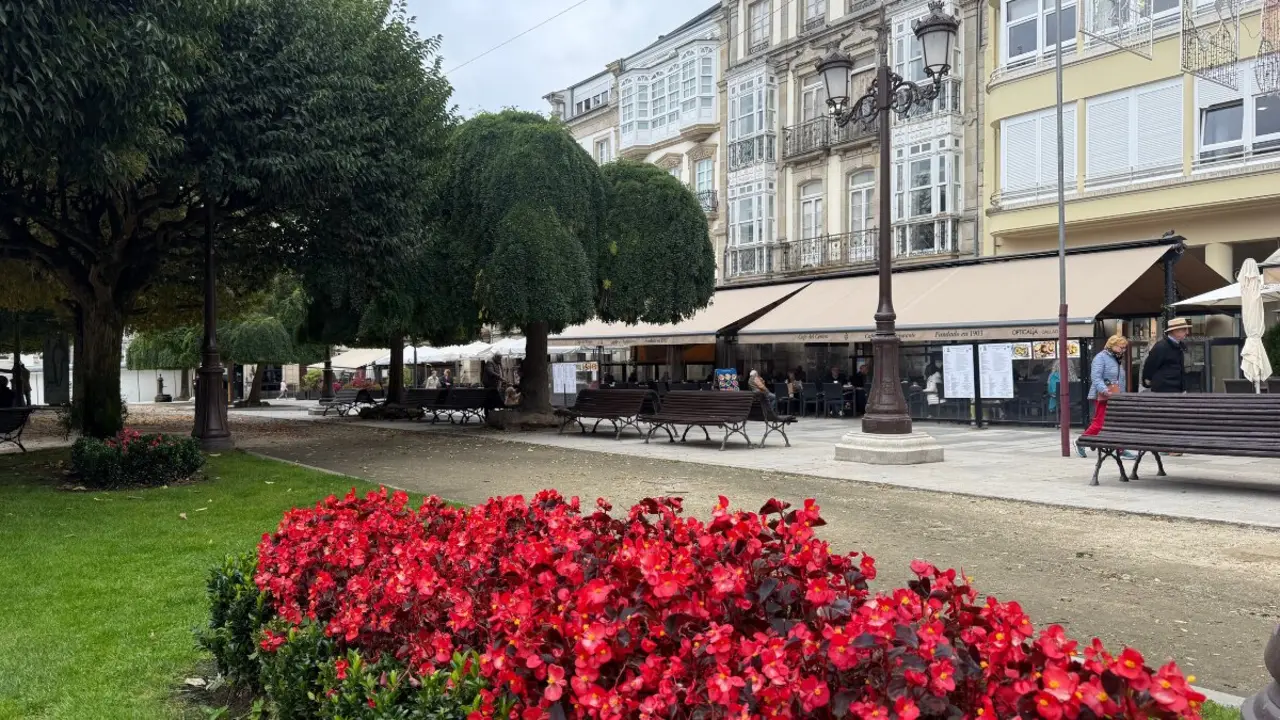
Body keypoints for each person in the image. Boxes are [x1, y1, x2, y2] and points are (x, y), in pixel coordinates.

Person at [1077, 334, 1134, 459]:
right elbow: (1096, 377)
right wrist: (1104, 390)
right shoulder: (1101, 358)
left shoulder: (1116, 359)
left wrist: (1121, 395)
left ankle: (1120, 449)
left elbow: (1120, 380)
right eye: (1121, 347)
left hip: (1116, 396)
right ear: (1112, 345)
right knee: (1100, 423)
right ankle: (1081, 441)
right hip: (1104, 395)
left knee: (1117, 423)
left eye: (1124, 348)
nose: (1123, 350)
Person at [1142, 317, 1191, 393]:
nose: (1187, 332)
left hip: (1174, 390)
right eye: (1184, 330)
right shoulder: (1161, 346)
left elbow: (1181, 370)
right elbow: (1150, 367)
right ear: (1175, 331)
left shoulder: (1178, 346)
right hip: (1163, 391)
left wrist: (1183, 388)